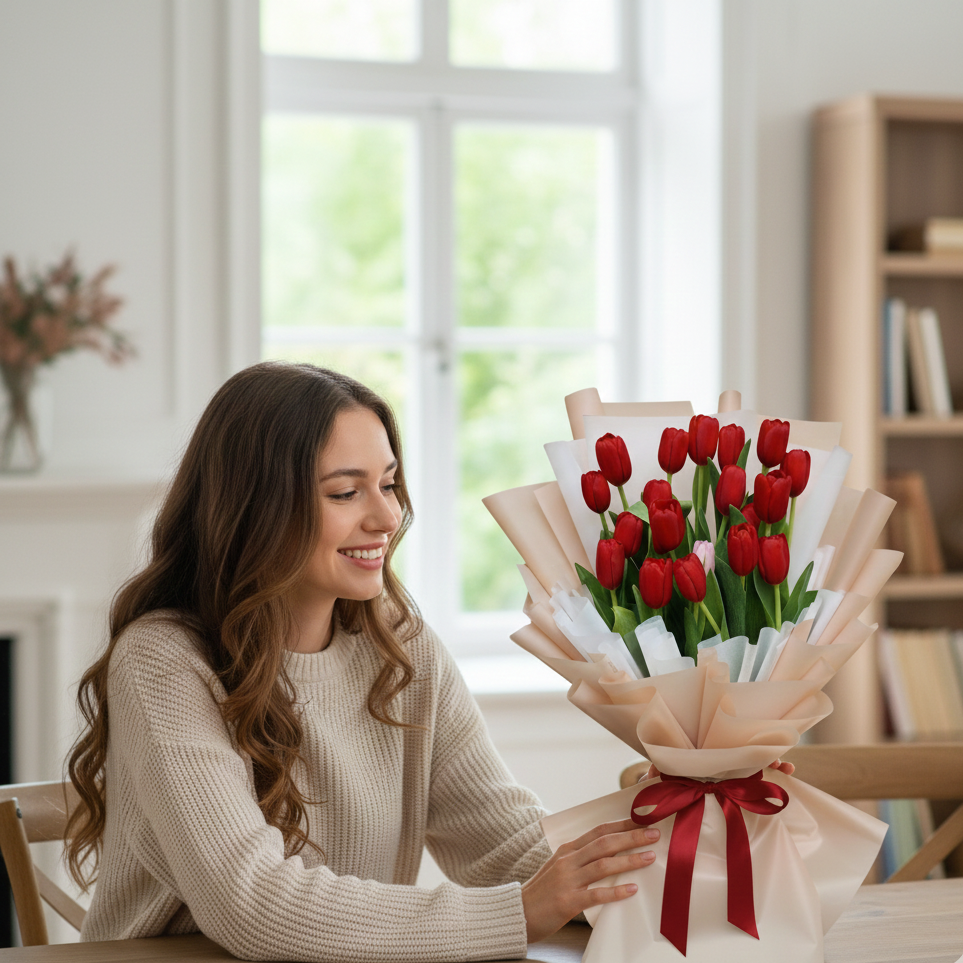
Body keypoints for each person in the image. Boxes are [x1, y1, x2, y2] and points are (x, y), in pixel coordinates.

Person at [65, 361, 660, 963]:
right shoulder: (164, 660)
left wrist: (659, 853)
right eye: (346, 492)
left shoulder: (400, 647)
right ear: (255, 506)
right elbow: (252, 905)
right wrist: (519, 912)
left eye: (389, 484)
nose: (386, 518)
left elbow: (500, 843)